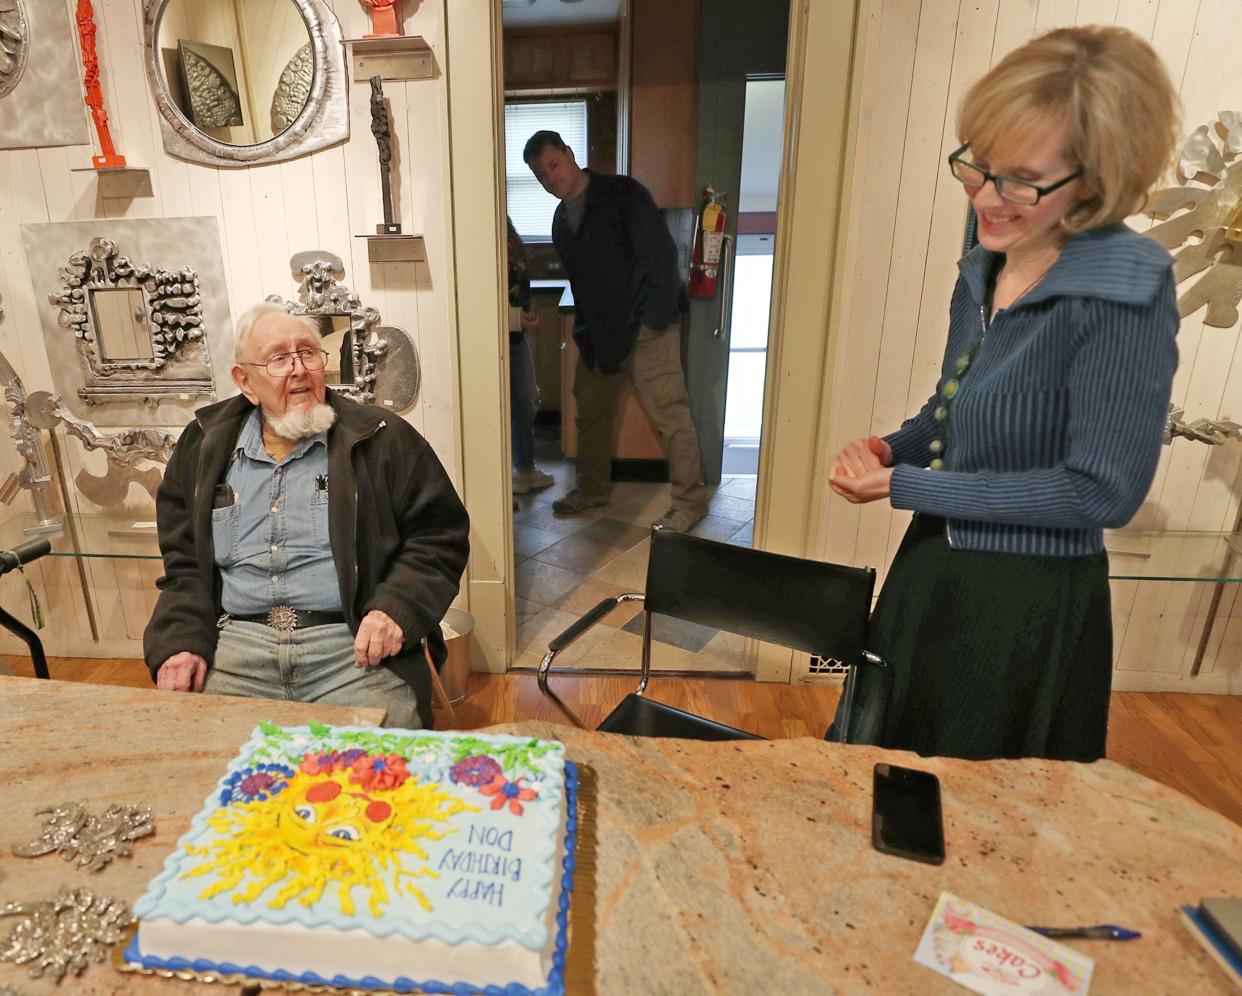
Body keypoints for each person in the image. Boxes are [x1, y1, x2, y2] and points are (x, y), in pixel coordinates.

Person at [828, 26, 1180, 761]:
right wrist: (891, 448)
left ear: (1096, 179)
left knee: (978, 805)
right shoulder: (987, 266)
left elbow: (1098, 495)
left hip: (1023, 604)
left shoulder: (1124, 291)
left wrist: (905, 484)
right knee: (886, 769)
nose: (985, 195)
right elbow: (951, 409)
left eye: (1019, 178)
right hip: (933, 570)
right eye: (977, 166)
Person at [144, 304, 469, 729]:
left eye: (309, 353)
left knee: (384, 765)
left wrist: (395, 609)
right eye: (279, 358)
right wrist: (181, 640)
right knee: (197, 760)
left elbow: (438, 537)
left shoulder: (382, 439)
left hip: (350, 651)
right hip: (236, 647)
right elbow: (184, 563)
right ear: (245, 380)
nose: (299, 369)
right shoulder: (204, 445)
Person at [523, 130, 709, 533]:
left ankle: (691, 503)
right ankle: (592, 490)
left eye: (553, 165)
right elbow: (583, 282)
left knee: (671, 418)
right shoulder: (560, 220)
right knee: (589, 415)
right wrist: (585, 334)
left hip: (647, 331)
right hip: (599, 336)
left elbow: (660, 259)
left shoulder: (623, 194)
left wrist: (654, 322)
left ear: (570, 155)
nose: (551, 179)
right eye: (541, 175)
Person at [507, 216, 554, 498]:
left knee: (525, 401)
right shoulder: (480, 226)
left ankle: (524, 468)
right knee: (520, 402)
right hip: (503, 333)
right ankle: (518, 473)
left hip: (514, 331)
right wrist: (514, 318)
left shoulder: (502, 222)